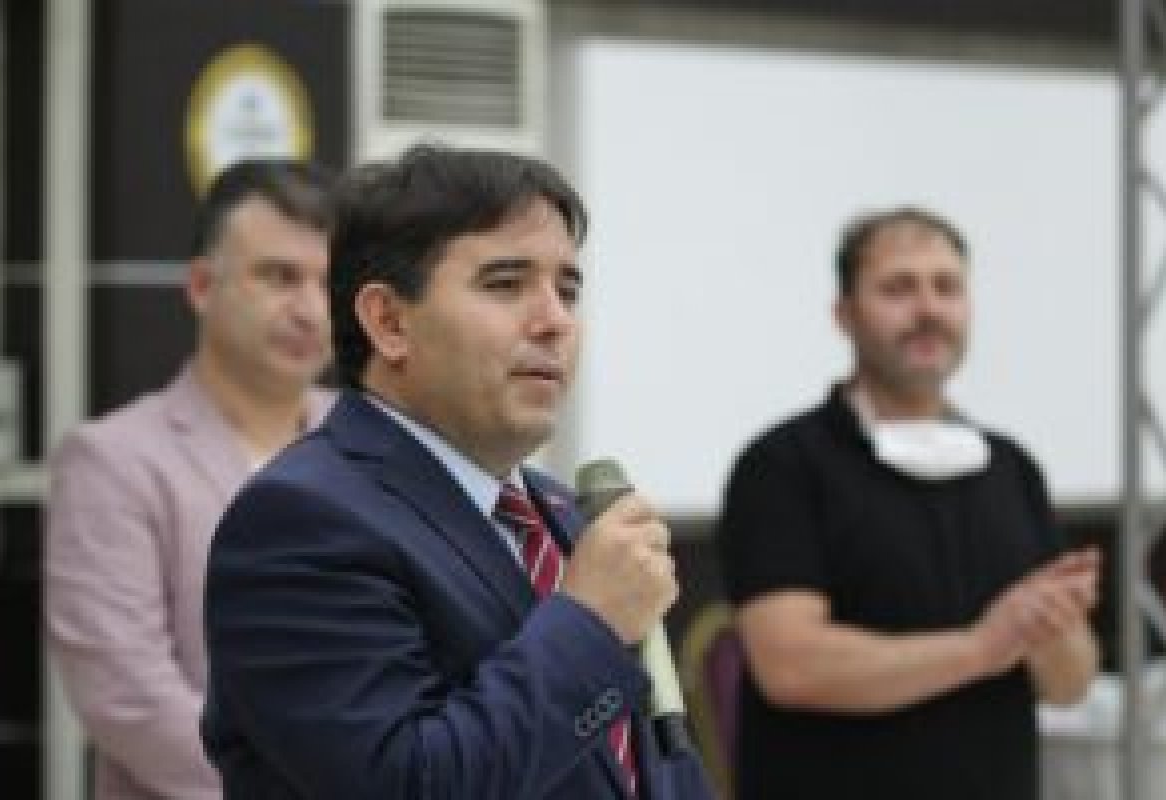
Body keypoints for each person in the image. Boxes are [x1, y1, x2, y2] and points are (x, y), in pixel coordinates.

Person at [201, 144, 715, 800]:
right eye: (505, 284)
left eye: (568, 289)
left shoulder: (565, 517)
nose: (555, 321)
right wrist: (590, 623)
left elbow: (659, 768)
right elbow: (409, 784)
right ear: (389, 322)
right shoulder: (298, 522)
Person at [717, 208, 1100, 800]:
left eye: (947, 287)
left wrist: (1053, 622)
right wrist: (981, 648)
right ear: (844, 314)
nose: (928, 309)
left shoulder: (1011, 468)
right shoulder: (783, 466)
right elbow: (790, 666)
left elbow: (1069, 686)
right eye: (898, 288)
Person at [45, 158, 336, 800]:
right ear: (202, 286)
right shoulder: (113, 461)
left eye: (328, 283)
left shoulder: (377, 445)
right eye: (280, 277)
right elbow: (130, 699)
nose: (311, 310)